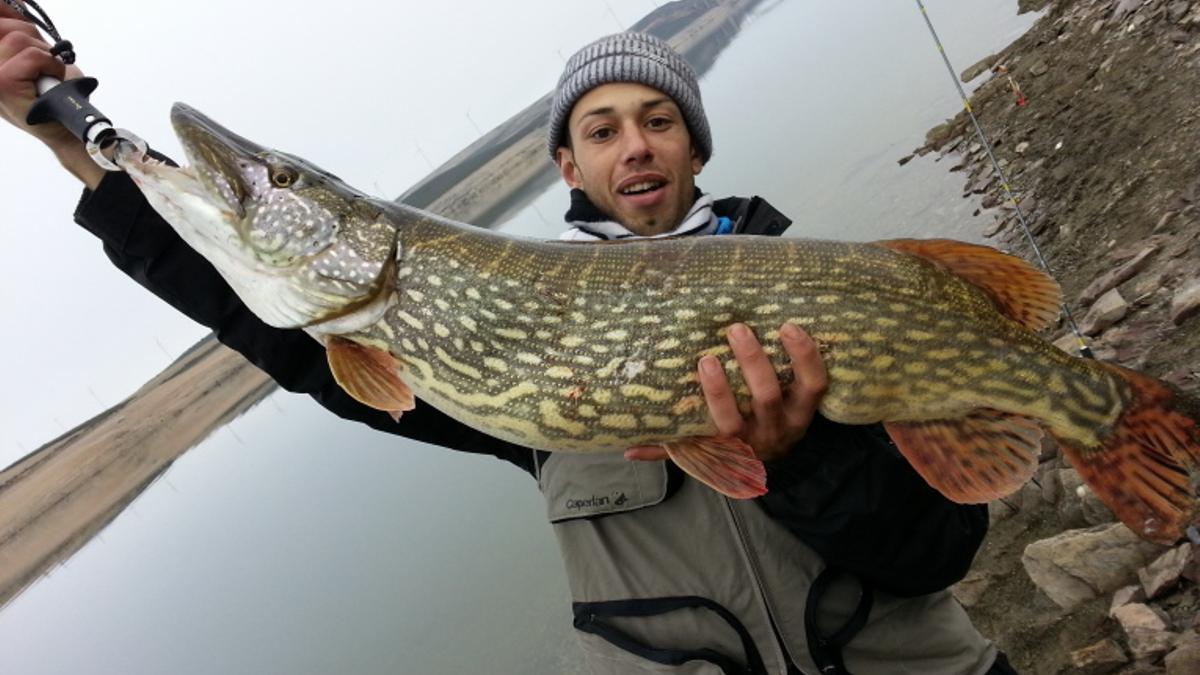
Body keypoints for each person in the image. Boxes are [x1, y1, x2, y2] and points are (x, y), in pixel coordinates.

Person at [0, 9, 1015, 673]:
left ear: (694, 146)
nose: (637, 145)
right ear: (568, 168)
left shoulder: (822, 300)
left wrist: (806, 459)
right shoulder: (506, 362)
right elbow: (271, 321)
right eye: (603, 129)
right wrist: (65, 137)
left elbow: (938, 553)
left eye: (658, 120)